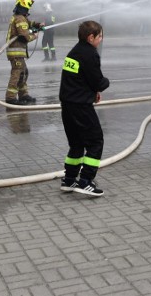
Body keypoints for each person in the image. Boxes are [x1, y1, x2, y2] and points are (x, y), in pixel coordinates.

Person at [59, 20, 110, 197]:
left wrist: (92, 91)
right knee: (96, 141)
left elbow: (78, 79)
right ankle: (86, 181)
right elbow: (97, 80)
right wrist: (104, 84)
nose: (101, 40)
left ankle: (70, 179)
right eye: (100, 36)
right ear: (91, 37)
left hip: (67, 105)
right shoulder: (90, 54)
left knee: (76, 143)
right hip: (81, 107)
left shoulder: (74, 52)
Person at [4, 0, 44, 106]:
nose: (28, 9)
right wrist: (35, 35)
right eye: (27, 7)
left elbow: (29, 24)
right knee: (17, 73)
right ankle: (10, 97)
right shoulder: (20, 18)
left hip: (18, 52)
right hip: (15, 52)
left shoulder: (21, 17)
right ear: (24, 4)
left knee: (23, 73)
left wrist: (38, 25)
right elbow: (24, 36)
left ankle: (23, 95)